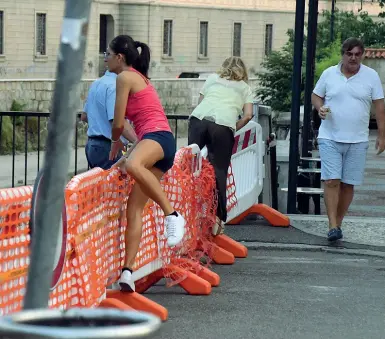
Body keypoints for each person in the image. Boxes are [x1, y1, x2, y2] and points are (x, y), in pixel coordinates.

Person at [106, 35, 186, 292]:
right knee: (134, 210)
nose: (104, 58)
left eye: (108, 54)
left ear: (120, 57)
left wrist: (116, 143)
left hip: (157, 138)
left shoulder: (125, 77)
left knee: (132, 166)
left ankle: (172, 215)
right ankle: (127, 272)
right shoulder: (141, 78)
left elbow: (118, 123)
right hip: (158, 142)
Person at [311, 37, 385, 242]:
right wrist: (320, 108)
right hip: (330, 136)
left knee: (348, 184)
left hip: (358, 139)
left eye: (357, 54)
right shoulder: (329, 74)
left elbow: (379, 106)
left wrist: (382, 135)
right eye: (349, 54)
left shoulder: (371, 76)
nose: (353, 58)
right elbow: (316, 96)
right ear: (343, 55)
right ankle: (332, 224)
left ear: (362, 55)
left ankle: (338, 223)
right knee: (331, 180)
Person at [187, 56, 254, 235]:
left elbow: (200, 104)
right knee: (219, 171)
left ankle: (187, 211)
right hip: (223, 124)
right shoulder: (245, 88)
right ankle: (217, 221)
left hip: (199, 119)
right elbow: (248, 115)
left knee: (189, 167)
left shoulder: (211, 79)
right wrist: (233, 128)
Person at [81, 67, 137, 170]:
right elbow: (117, 121)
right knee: (113, 184)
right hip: (107, 147)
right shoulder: (115, 86)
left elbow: (84, 116)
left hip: (92, 145)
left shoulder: (96, 83)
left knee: (100, 184)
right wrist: (138, 141)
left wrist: (100, 123)